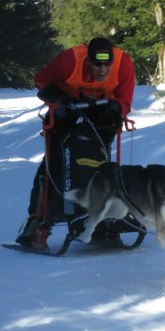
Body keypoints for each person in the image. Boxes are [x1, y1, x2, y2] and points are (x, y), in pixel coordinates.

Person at [15, 37, 136, 249]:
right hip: (66, 113)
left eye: (107, 64)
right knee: (53, 166)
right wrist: (59, 96)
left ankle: (103, 222)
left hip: (100, 115)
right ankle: (36, 224)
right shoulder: (70, 59)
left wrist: (116, 108)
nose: (103, 69)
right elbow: (41, 80)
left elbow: (125, 100)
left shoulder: (124, 63)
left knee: (102, 166)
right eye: (97, 64)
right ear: (88, 60)